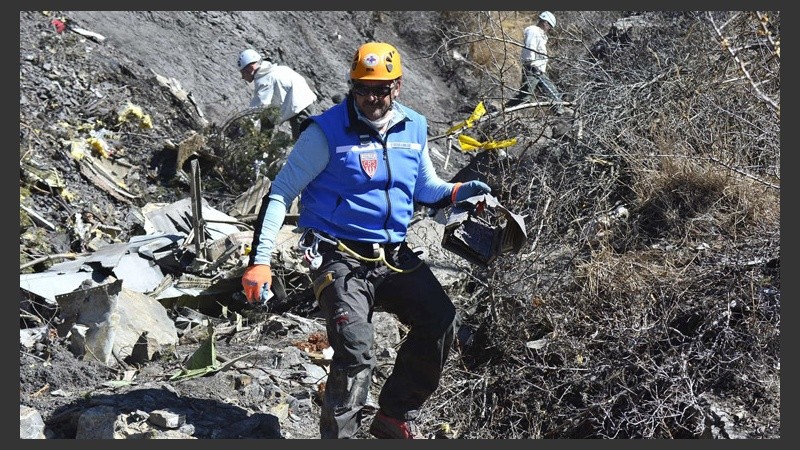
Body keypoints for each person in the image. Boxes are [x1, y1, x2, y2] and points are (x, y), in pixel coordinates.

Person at [241, 41, 492, 439]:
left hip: (392, 255)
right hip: (339, 258)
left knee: (441, 320)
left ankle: (394, 416)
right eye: (363, 89)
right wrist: (260, 260)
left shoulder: (414, 126)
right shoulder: (324, 132)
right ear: (352, 85)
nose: (372, 99)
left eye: (382, 89)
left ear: (398, 86)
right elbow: (280, 194)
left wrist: (460, 191)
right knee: (356, 352)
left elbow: (425, 188)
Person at [237, 48, 318, 139]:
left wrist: (245, 128)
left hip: (300, 109)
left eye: (243, 73)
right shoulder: (278, 69)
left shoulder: (265, 80)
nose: (243, 77)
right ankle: (263, 146)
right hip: (303, 104)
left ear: (250, 68)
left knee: (302, 144)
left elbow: (258, 108)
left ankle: (261, 148)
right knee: (267, 119)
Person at [505, 11, 565, 113]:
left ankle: (559, 112)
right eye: (549, 26)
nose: (549, 29)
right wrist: (532, 64)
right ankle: (503, 109)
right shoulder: (533, 31)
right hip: (533, 69)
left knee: (552, 93)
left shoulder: (540, 35)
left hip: (538, 71)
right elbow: (530, 48)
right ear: (545, 22)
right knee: (525, 97)